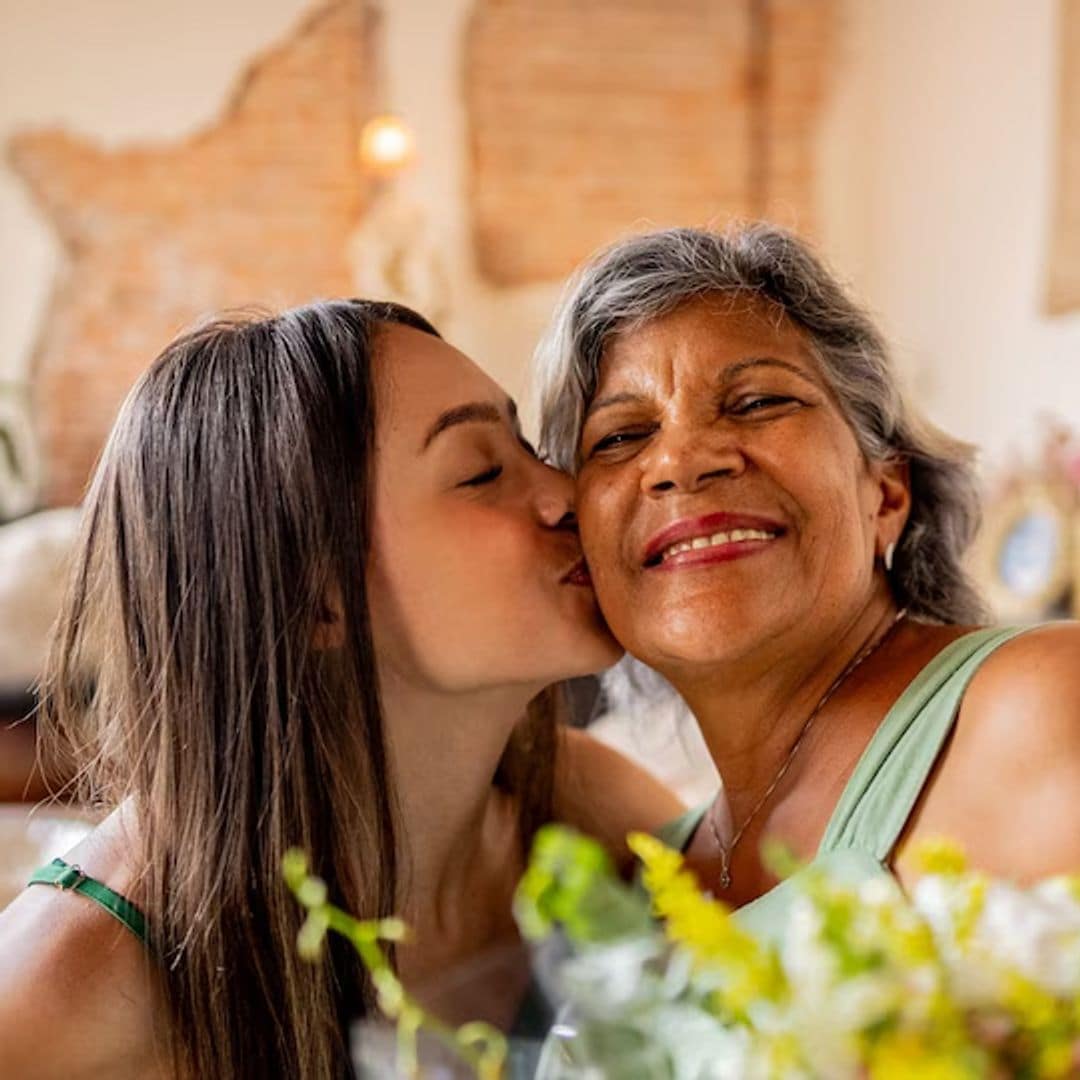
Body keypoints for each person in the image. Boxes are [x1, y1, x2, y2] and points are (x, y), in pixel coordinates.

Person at [0, 300, 682, 1079]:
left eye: (527, 446)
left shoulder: (578, 815)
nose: (566, 492)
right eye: (483, 470)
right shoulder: (67, 992)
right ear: (311, 593)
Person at [534, 223, 1080, 936]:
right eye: (620, 437)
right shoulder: (635, 882)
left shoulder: (1039, 709)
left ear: (884, 492)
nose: (682, 460)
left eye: (758, 402)